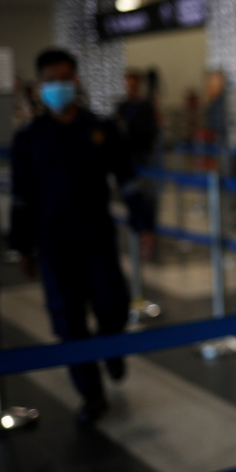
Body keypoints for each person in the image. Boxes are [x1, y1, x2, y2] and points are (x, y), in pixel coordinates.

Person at [10, 49, 153, 424]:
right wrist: (21, 246)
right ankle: (91, 395)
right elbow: (21, 198)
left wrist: (143, 225)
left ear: (77, 81)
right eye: (50, 81)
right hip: (53, 244)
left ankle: (111, 350)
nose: (58, 87)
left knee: (114, 305)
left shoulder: (100, 129)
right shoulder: (29, 139)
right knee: (69, 321)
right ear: (40, 86)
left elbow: (127, 181)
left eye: (65, 79)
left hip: (96, 238)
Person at [117, 69, 160, 229]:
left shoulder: (146, 106)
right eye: (127, 85)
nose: (130, 88)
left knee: (148, 196)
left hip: (144, 156)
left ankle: (148, 226)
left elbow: (151, 131)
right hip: (128, 158)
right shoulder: (122, 106)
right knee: (130, 195)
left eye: (133, 85)